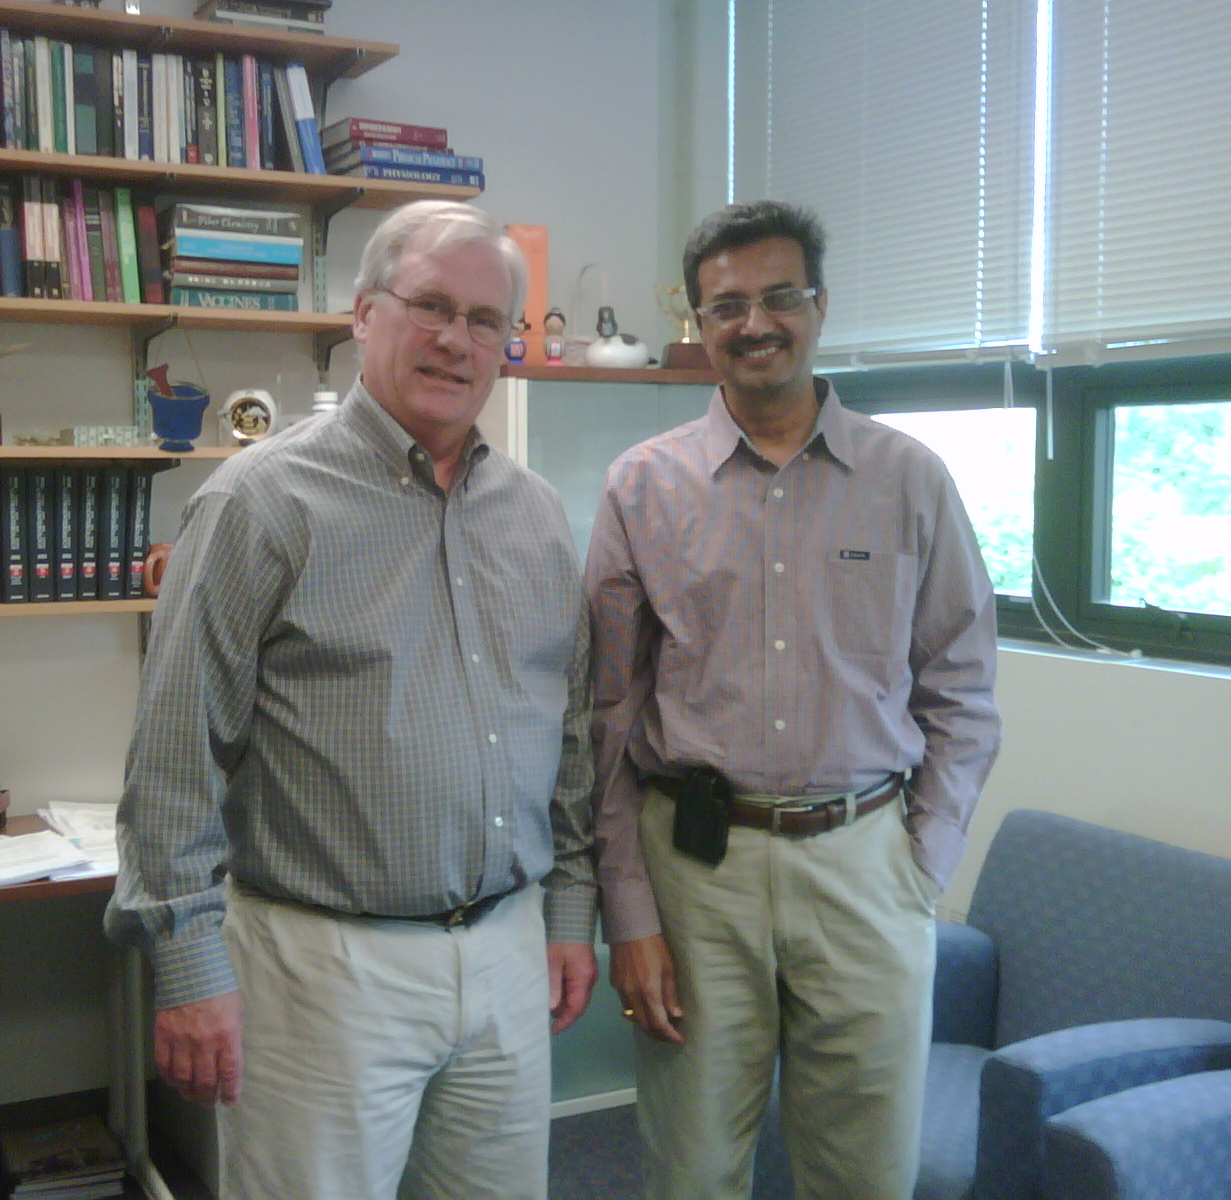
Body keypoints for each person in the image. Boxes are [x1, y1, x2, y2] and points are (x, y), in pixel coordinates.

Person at [106, 199, 599, 1200]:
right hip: (324, 969)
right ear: (364, 314)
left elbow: (573, 731)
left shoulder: (537, 517)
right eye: (429, 306)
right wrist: (192, 970)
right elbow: (173, 756)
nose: (455, 340)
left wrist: (570, 909)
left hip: (506, 949)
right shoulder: (262, 501)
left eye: (483, 320)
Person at [586, 200, 1002, 1200]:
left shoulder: (909, 481)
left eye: (779, 296)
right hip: (695, 873)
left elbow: (963, 690)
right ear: (698, 322)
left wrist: (920, 865)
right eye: (724, 304)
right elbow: (599, 721)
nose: (754, 322)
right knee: (690, 1167)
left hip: (866, 867)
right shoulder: (642, 487)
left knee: (863, 1173)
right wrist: (627, 914)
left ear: (819, 305)